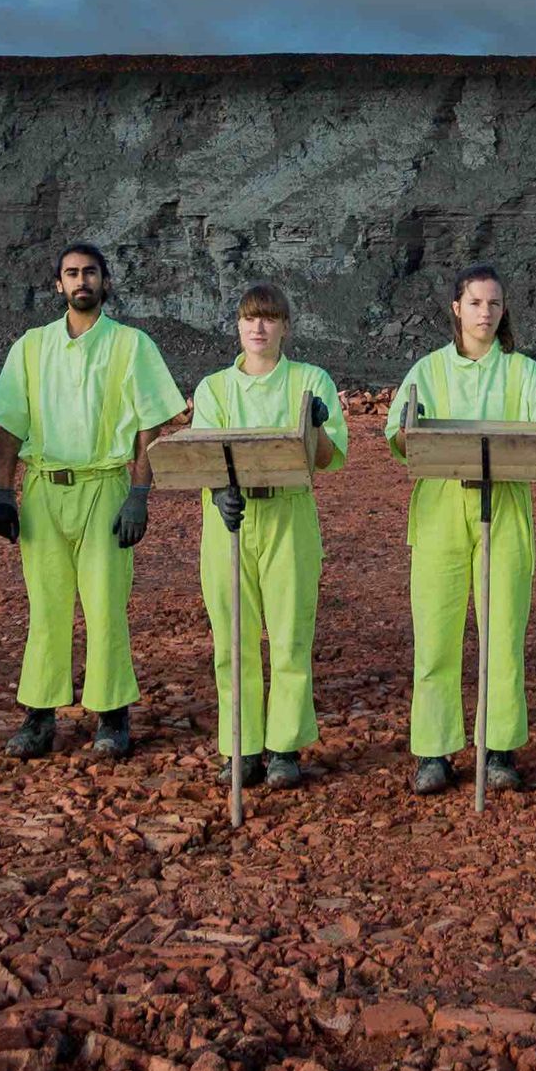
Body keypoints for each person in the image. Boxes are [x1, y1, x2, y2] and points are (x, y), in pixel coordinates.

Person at [0, 244, 185, 761]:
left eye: (89, 272)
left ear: (105, 281)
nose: (81, 281)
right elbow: (10, 423)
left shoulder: (131, 345)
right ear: (58, 285)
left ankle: (112, 718)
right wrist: (4, 495)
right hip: (43, 487)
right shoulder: (30, 347)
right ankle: (39, 717)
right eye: (71, 273)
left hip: (105, 486)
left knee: (105, 605)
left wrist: (140, 494)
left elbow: (151, 424)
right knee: (45, 607)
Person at [388, 263, 536, 795]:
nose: (485, 313)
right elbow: (398, 438)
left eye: (494, 304)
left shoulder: (523, 372)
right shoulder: (427, 369)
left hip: (505, 503)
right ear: (456, 308)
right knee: (437, 635)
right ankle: (434, 750)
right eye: (475, 303)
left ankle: (499, 747)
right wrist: (407, 429)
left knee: (503, 631)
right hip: (441, 507)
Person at [183, 283, 347, 789]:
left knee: (290, 635)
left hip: (288, 514)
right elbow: (205, 455)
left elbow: (327, 458)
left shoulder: (310, 380)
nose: (259, 327)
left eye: (270, 318)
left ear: (285, 327)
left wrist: (316, 425)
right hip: (230, 521)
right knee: (231, 638)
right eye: (251, 318)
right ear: (237, 325)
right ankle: (240, 745)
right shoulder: (215, 388)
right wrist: (218, 496)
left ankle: (284, 745)